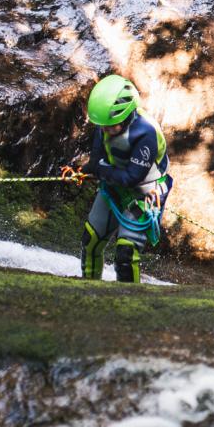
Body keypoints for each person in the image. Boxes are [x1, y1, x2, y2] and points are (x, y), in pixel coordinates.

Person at [66, 75, 172, 283]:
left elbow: (131, 178)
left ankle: (130, 300)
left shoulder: (146, 134)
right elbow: (96, 161)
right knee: (91, 240)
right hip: (114, 186)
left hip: (145, 195)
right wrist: (81, 170)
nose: (104, 130)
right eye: (102, 125)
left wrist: (100, 171)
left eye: (109, 126)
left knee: (125, 252)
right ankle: (89, 288)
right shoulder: (106, 123)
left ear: (125, 116)